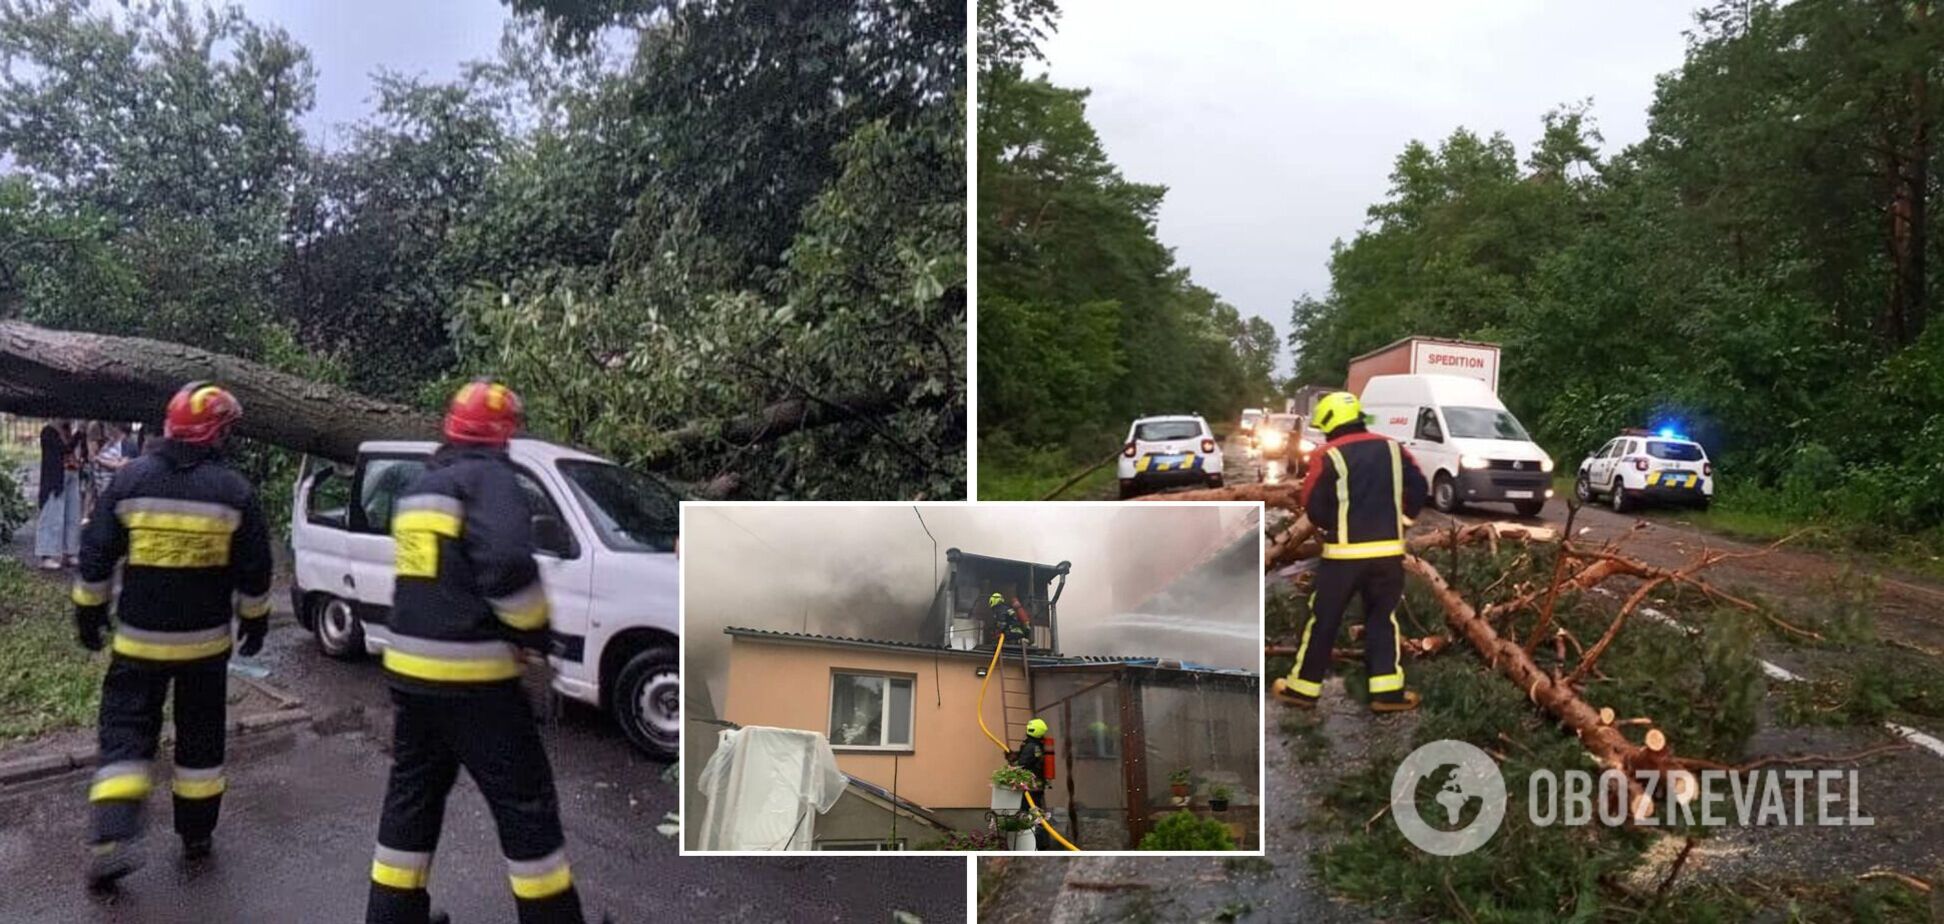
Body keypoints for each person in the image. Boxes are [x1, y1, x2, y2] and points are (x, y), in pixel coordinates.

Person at [365, 380, 587, 924]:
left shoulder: (421, 488)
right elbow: (509, 567)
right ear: (504, 434)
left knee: (411, 801)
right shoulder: (492, 478)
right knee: (525, 805)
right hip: (475, 681)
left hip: (409, 675)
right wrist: (534, 636)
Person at [71, 384, 273, 889]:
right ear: (215, 432)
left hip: (139, 643)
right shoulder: (234, 492)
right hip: (205, 648)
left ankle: (113, 839)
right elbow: (256, 568)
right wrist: (255, 620)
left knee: (125, 736)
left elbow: (96, 551)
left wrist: (88, 612)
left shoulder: (131, 481)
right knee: (201, 742)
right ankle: (196, 837)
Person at [1272, 391, 1429, 714]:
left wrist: (1337, 525)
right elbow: (1419, 487)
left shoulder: (1327, 454)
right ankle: (1387, 693)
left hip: (1343, 557)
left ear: (1331, 422)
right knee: (1382, 620)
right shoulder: (1392, 447)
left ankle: (1303, 689)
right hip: (1387, 555)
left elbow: (1313, 507)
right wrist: (1402, 521)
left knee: (1324, 620)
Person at [36, 419, 82, 570]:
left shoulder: (68, 431)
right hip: (54, 481)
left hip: (72, 473)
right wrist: (79, 433)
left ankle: (70, 551)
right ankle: (47, 555)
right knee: (52, 517)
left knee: (72, 515)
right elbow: (64, 449)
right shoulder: (49, 432)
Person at [1011, 718, 1052, 849]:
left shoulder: (1030, 746)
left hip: (1030, 788)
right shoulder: (1036, 746)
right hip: (1036, 786)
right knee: (1035, 813)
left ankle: (1035, 844)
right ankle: (1038, 843)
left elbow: (1022, 764)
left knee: (1029, 814)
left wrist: (1012, 764)